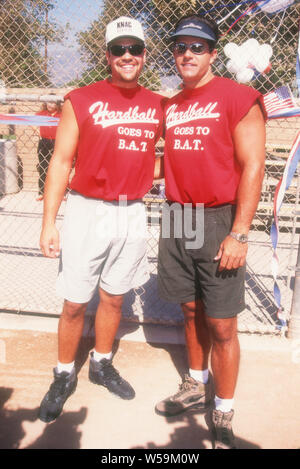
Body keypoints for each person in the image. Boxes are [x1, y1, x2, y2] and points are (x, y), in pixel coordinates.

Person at [38, 16, 165, 423]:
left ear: (145, 53)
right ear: (107, 55)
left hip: (131, 210)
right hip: (86, 209)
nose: (127, 56)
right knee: (75, 301)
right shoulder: (82, 99)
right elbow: (60, 162)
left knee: (114, 296)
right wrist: (49, 221)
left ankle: (101, 363)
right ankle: (62, 373)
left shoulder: (159, 104)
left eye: (134, 48)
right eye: (118, 49)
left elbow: (161, 160)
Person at [155, 14, 266, 449]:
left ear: (213, 54)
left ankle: (222, 408)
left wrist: (239, 232)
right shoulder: (172, 104)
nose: (187, 53)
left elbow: (253, 165)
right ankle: (195, 384)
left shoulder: (238, 96)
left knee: (221, 324)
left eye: (197, 46)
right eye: (181, 46)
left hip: (220, 218)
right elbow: (167, 162)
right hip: (178, 215)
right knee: (188, 311)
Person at [36, 98, 62, 201]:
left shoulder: (61, 115)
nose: (49, 104)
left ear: (57, 104)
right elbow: (31, 122)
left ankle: (61, 192)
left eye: (52, 102)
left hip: (57, 142)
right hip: (44, 142)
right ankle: (41, 191)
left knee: (59, 167)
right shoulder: (42, 114)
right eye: (48, 102)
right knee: (43, 167)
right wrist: (38, 132)